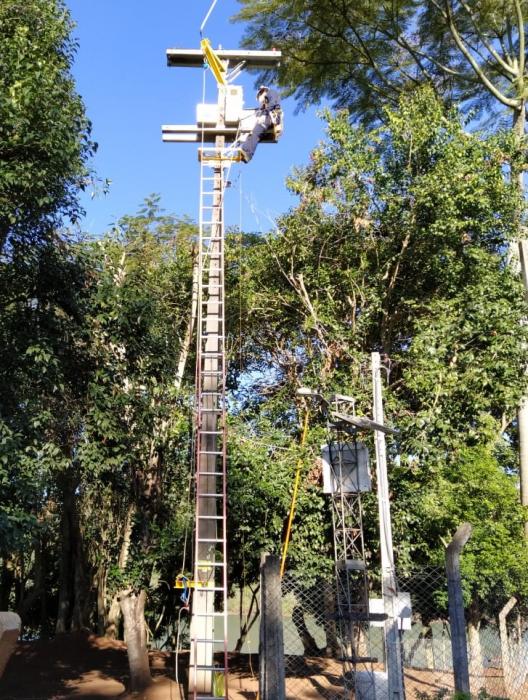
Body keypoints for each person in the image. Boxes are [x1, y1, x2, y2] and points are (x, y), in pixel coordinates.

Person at [237, 86, 282, 163]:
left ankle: (247, 153)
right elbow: (262, 108)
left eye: (259, 97)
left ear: (263, 92)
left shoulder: (271, 93)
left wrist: (264, 113)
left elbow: (272, 104)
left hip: (271, 116)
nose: (260, 100)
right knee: (253, 134)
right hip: (268, 116)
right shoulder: (265, 101)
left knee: (256, 133)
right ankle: (245, 151)